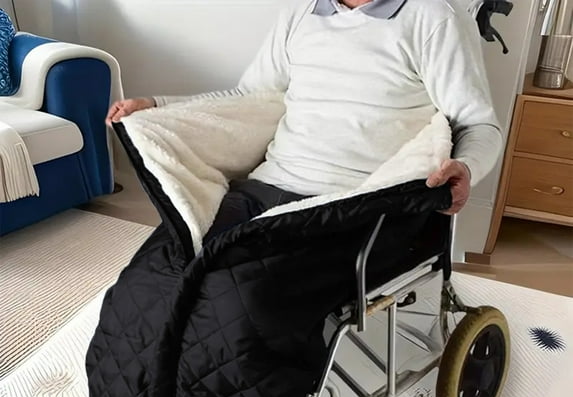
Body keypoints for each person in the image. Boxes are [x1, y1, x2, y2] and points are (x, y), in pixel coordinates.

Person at [106, 0, 502, 232]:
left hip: (355, 203)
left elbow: (476, 123)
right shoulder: (302, 12)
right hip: (266, 186)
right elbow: (249, 96)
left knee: (240, 295)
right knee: (163, 265)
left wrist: (466, 167)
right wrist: (158, 104)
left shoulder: (435, 17)